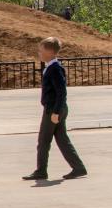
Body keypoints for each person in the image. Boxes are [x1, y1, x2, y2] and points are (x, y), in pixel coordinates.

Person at [23, 37, 87, 181]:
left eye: (41, 50)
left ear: (50, 52)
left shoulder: (55, 68)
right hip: (55, 108)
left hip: (53, 109)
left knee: (43, 141)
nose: (39, 53)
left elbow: (61, 92)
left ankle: (41, 171)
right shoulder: (51, 67)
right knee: (62, 140)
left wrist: (56, 112)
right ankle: (78, 168)